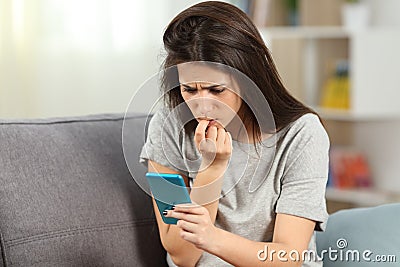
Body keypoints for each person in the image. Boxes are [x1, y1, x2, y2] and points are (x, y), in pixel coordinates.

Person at [139, 1, 329, 266]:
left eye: (216, 90)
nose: (203, 106)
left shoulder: (302, 134)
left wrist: (211, 237)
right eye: (189, 90)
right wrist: (211, 170)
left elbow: (289, 256)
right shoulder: (167, 128)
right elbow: (181, 254)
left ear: (249, 80)